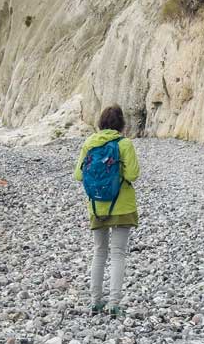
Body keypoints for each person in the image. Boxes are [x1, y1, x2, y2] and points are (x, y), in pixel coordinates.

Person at [73, 105, 140, 317]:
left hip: (96, 206)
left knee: (99, 252)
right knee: (118, 253)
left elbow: (78, 175)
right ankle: (114, 304)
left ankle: (95, 302)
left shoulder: (89, 143)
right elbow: (133, 175)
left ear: (100, 123)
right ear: (122, 124)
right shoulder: (125, 144)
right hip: (122, 206)